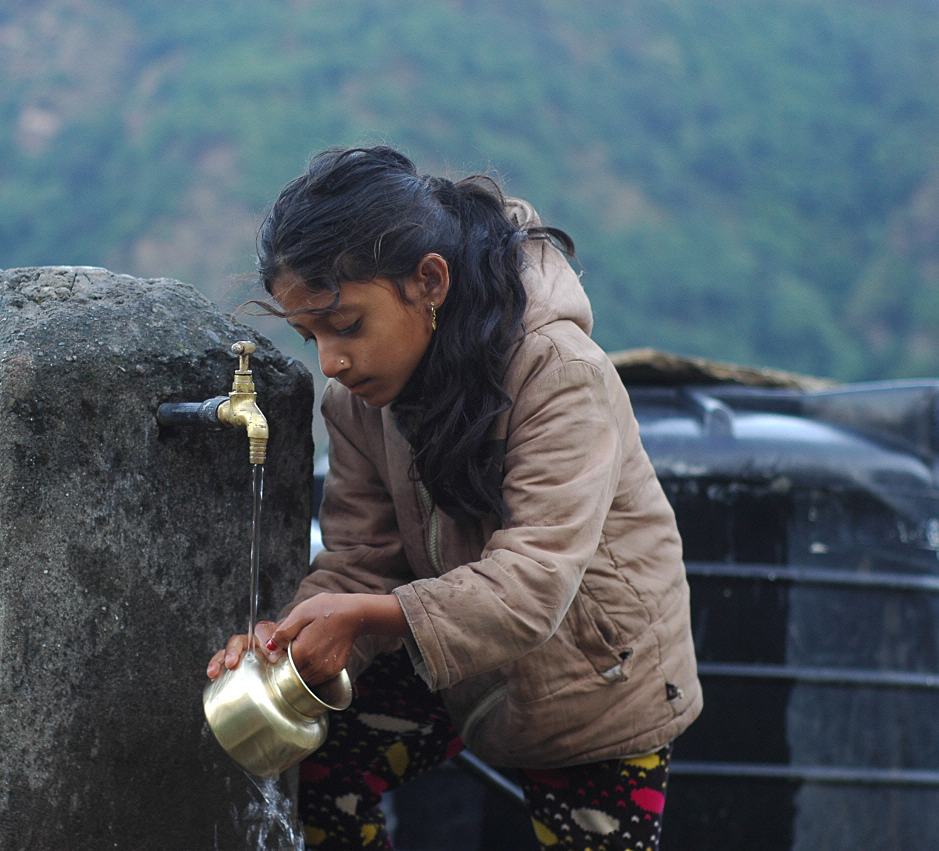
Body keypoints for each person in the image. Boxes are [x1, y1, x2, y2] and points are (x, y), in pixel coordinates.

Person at [206, 146, 702, 851]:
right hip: (452, 658)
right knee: (315, 767)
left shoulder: (557, 372)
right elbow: (362, 559)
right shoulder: (359, 404)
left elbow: (532, 583)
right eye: (309, 334)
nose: (332, 361)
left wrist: (363, 613)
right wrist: (287, 644)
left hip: (597, 674)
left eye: (346, 325)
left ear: (428, 281)